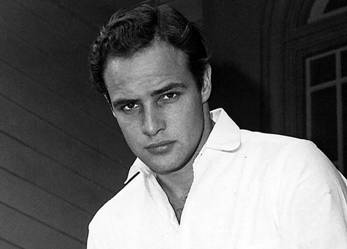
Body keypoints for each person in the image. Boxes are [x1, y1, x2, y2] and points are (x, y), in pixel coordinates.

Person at [87, 3, 347, 249]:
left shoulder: (291, 170)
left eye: (168, 96)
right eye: (129, 106)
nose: (151, 126)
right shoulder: (109, 227)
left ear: (204, 83)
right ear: (111, 108)